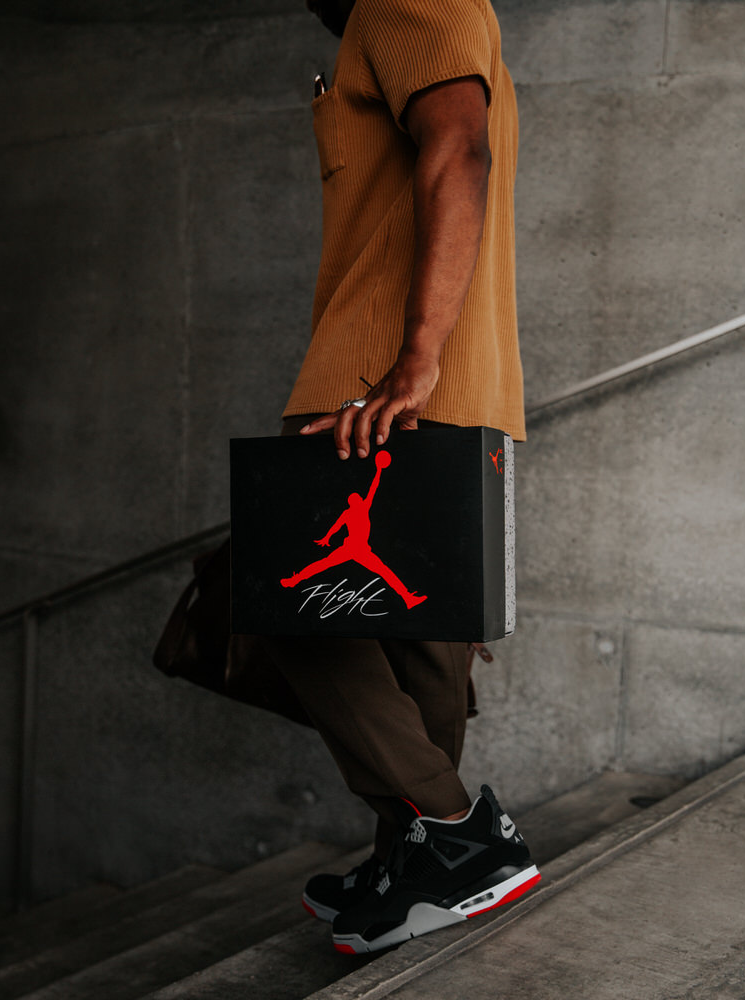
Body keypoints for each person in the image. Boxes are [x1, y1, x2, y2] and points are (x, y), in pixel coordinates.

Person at [253, 0, 539, 954]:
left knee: (298, 609)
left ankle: (457, 836)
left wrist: (413, 360)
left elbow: (460, 149)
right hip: (454, 382)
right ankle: (413, 859)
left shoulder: (401, 0)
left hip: (379, 385)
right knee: (421, 643)